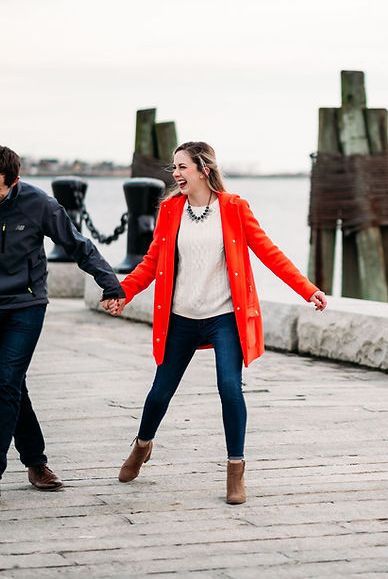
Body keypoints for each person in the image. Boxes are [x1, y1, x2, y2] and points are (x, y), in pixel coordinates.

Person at [105, 141, 326, 504]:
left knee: (229, 386)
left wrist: (307, 289)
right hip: (180, 318)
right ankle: (142, 446)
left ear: (203, 169)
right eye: (174, 167)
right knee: (161, 390)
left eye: (182, 167)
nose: (175, 174)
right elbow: (152, 261)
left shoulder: (234, 208)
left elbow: (269, 252)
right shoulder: (171, 209)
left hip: (224, 316)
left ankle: (235, 470)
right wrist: (123, 292)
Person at [0, 145, 125, 502]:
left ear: (14, 182)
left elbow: (78, 245)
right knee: (12, 385)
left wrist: (110, 284)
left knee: (7, 383)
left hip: (26, 306)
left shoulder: (39, 204)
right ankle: (37, 463)